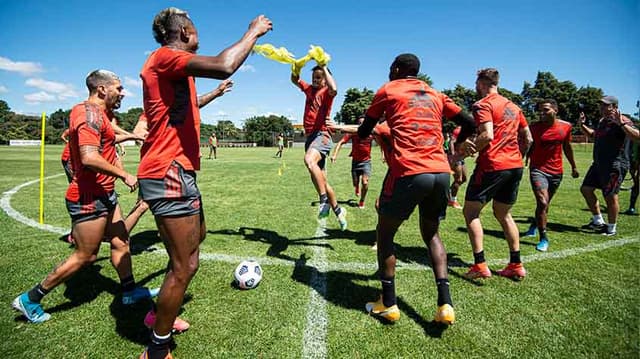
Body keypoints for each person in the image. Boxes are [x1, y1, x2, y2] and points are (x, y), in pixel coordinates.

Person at [137, 8, 272, 359]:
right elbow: (224, 64)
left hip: (178, 172)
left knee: (195, 245)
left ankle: (158, 314)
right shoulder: (167, 57)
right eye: (195, 27)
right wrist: (252, 32)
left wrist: (216, 96)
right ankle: (156, 347)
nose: (199, 32)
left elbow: (185, 107)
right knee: (185, 265)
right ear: (183, 31)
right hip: (167, 173)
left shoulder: (173, 68)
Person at [11, 70, 157, 324]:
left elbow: (108, 138)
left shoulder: (99, 114)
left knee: (121, 242)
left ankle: (129, 291)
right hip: (88, 197)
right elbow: (89, 157)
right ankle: (30, 298)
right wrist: (124, 174)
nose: (123, 93)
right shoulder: (87, 113)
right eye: (119, 88)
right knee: (86, 256)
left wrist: (132, 136)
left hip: (104, 192)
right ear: (102, 89)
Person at [356, 54, 476, 325]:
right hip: (440, 173)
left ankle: (388, 303)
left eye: (390, 67)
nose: (388, 72)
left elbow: (365, 131)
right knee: (432, 235)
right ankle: (445, 304)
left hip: (409, 171)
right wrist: (457, 150)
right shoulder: (435, 93)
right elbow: (468, 122)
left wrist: (371, 128)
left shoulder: (387, 90)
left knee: (385, 233)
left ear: (397, 69)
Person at [462, 68, 532, 280]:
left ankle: (480, 265)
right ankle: (516, 264)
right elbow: (528, 139)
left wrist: (466, 150)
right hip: (515, 166)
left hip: (492, 165)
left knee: (471, 213)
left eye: (476, 84)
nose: (475, 88)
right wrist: (518, 157)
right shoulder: (514, 107)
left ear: (482, 83)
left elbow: (488, 135)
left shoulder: (483, 104)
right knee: (503, 214)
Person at [291, 65, 347, 230]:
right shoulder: (308, 89)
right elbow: (294, 80)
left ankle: (323, 202)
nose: (316, 80)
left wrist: (324, 66)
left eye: (319, 77)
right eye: (314, 77)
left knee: (309, 160)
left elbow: (334, 88)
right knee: (321, 180)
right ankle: (338, 211)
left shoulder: (326, 93)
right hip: (310, 138)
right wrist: (297, 67)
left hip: (322, 135)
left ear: (325, 79)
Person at [578, 95, 640, 235]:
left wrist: (622, 124)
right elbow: (593, 135)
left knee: (610, 196)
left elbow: (637, 136)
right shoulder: (603, 121)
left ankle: (611, 228)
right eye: (601, 105)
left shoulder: (623, 120)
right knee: (586, 189)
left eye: (606, 105)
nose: (602, 107)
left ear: (615, 107)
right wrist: (582, 125)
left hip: (615, 164)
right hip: (599, 163)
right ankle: (598, 220)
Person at [523, 99, 579, 251]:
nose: (542, 113)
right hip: (538, 169)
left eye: (546, 110)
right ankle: (543, 238)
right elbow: (529, 145)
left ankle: (535, 224)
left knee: (545, 204)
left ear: (555, 110)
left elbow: (567, 147)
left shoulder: (566, 127)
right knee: (542, 201)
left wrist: (573, 166)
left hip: (556, 172)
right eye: (540, 110)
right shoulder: (533, 127)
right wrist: (524, 159)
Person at [331, 116, 373, 209]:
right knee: (355, 182)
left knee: (365, 182)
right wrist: (334, 155)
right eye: (360, 123)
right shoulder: (353, 133)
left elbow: (381, 142)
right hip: (355, 162)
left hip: (366, 161)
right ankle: (356, 186)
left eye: (363, 123)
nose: (362, 125)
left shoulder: (371, 133)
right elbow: (340, 142)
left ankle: (362, 201)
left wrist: (383, 155)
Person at [448, 126, 467, 209]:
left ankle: (447, 194)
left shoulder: (468, 130)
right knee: (458, 179)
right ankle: (452, 201)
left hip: (461, 157)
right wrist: (453, 156)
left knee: (464, 179)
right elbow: (451, 142)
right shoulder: (458, 130)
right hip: (455, 157)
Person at [622, 138, 639, 215]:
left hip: (636, 163)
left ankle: (632, 207)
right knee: (636, 185)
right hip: (635, 162)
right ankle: (631, 207)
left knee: (636, 185)